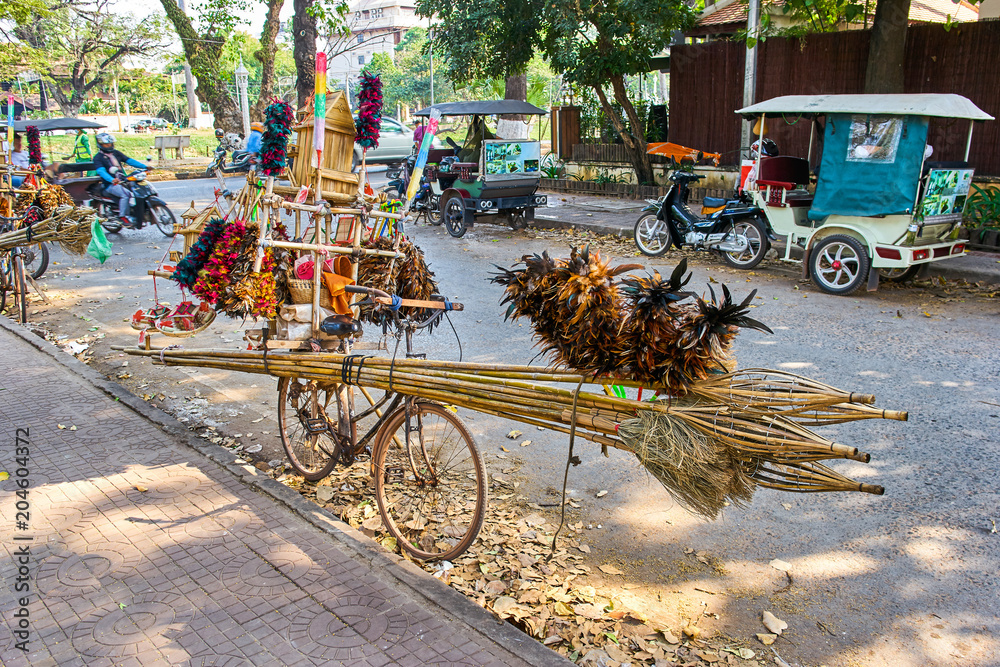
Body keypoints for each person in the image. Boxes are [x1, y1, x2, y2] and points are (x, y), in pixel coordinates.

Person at [92, 132, 149, 228]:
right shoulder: (98, 158)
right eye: (106, 144)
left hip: (123, 180)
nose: (109, 145)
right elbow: (101, 171)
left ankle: (138, 213)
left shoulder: (116, 153)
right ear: (100, 145)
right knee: (125, 194)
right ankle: (123, 216)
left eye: (110, 143)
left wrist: (145, 167)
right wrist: (111, 179)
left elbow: (129, 160)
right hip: (110, 184)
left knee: (138, 190)